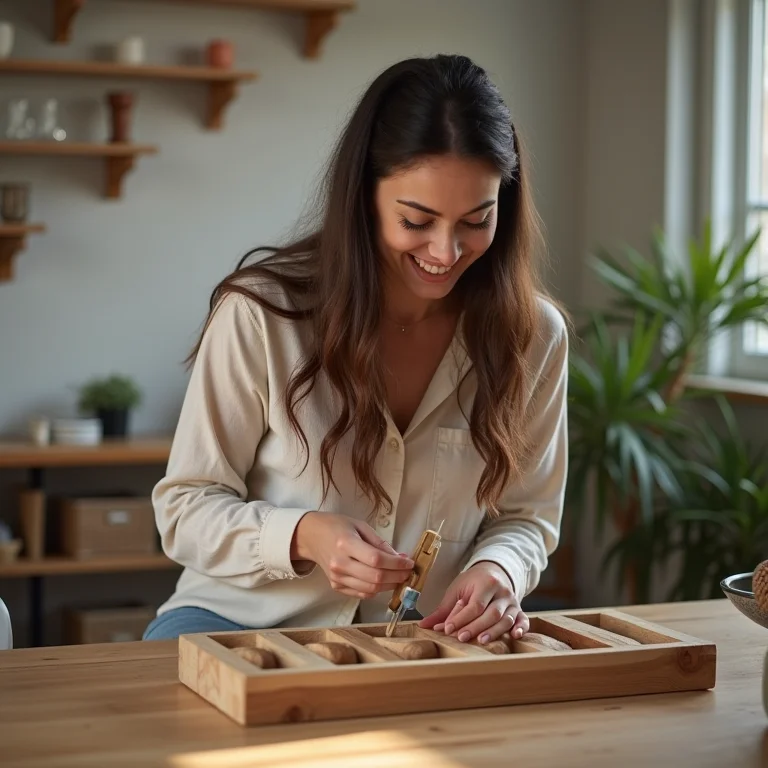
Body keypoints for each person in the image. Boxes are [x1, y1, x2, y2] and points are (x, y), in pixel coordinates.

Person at [143, 53, 569, 646]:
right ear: (364, 198)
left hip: (424, 641)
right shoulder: (262, 315)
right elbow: (185, 510)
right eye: (417, 220)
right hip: (235, 622)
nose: (446, 252)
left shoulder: (534, 337)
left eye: (477, 219)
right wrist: (303, 535)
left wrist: (498, 569)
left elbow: (528, 517)